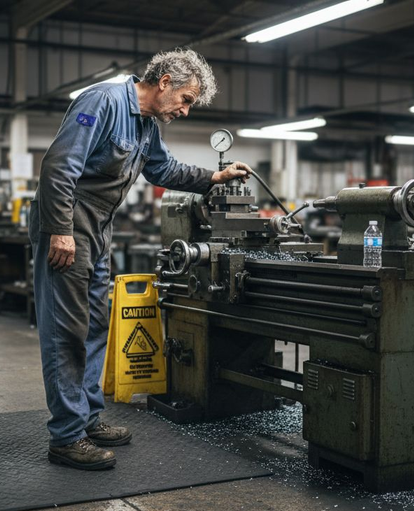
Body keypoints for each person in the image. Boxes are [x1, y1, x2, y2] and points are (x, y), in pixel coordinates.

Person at [29, 48, 254, 470]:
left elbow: (162, 170)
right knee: (68, 329)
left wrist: (214, 178)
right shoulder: (103, 102)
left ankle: (88, 418)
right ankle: (65, 436)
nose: (185, 110)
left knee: (96, 324)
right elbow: (58, 167)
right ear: (165, 81)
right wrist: (60, 229)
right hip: (67, 220)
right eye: (186, 99)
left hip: (98, 225)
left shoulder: (148, 126)